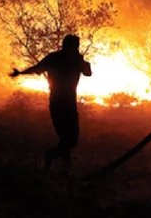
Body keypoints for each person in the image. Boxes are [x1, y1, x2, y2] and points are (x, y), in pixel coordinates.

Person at [10, 34, 92, 170]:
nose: (77, 48)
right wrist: (21, 73)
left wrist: (20, 73)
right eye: (76, 45)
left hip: (61, 103)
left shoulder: (56, 58)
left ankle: (63, 167)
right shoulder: (72, 59)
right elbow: (88, 72)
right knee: (70, 140)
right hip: (63, 104)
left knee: (67, 139)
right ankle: (50, 157)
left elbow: (37, 68)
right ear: (73, 46)